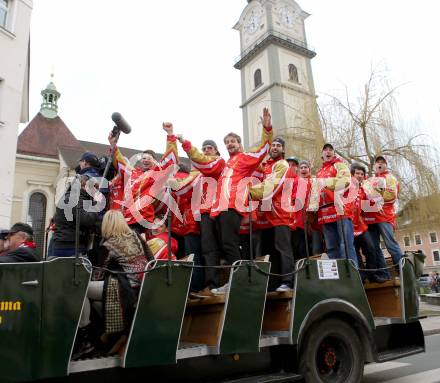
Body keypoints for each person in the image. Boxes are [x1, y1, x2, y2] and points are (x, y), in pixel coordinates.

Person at [209, 107, 273, 294]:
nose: (230, 144)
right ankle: (238, 279)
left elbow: (264, 149)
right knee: (227, 245)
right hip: (220, 208)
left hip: (232, 207)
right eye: (227, 142)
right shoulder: (227, 163)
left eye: (233, 141)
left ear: (239, 143)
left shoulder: (245, 158)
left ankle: (237, 282)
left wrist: (267, 128)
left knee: (230, 245)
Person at [75, 210, 152, 359]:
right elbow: (151, 259)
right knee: (100, 297)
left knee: (80, 289)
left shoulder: (108, 244)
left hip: (125, 289)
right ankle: (109, 334)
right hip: (144, 287)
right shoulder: (136, 236)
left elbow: (99, 274)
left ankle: (86, 331)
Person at [108, 123, 178, 233]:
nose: (145, 160)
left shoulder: (156, 174)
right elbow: (120, 162)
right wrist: (113, 145)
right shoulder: (133, 173)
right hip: (125, 219)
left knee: (135, 248)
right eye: (143, 158)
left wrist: (170, 135)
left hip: (141, 221)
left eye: (149, 158)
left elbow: (170, 161)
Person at [178, 136, 226, 294]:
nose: (206, 151)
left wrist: (186, 144)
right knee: (206, 249)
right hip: (202, 213)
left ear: (216, 151)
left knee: (216, 248)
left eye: (209, 148)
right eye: (204, 148)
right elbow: (186, 190)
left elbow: (206, 165)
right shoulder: (197, 172)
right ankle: (209, 284)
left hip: (218, 210)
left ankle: (215, 284)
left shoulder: (219, 162)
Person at [250, 137, 296, 292]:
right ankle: (274, 283)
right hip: (267, 216)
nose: (275, 147)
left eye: (278, 146)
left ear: (283, 150)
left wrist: (248, 192)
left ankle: (288, 281)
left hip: (281, 213)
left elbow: (272, 187)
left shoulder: (282, 164)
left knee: (283, 248)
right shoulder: (265, 166)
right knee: (270, 251)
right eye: (273, 145)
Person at [308, 143, 358, 265]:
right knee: (331, 247)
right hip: (325, 213)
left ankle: (352, 276)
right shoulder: (319, 172)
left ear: (334, 153)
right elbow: (315, 192)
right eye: (325, 150)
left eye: (331, 149)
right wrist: (311, 210)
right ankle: (338, 278)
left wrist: (325, 182)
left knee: (345, 244)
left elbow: (344, 181)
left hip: (341, 211)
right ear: (322, 154)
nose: (328, 151)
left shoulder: (340, 166)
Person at [364, 155, 403, 275]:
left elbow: (391, 196)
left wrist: (373, 195)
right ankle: (384, 273)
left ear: (386, 165)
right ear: (374, 165)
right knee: (374, 247)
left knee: (391, 245)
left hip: (385, 217)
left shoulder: (391, 178)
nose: (379, 164)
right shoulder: (369, 180)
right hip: (370, 218)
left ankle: (402, 272)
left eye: (382, 162)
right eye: (377, 162)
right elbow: (363, 195)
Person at [350, 163, 389, 283]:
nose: (360, 176)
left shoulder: (363, 190)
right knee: (355, 252)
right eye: (357, 173)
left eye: (362, 174)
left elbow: (367, 206)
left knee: (371, 248)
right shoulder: (346, 187)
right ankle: (361, 276)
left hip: (361, 226)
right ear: (352, 174)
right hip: (349, 227)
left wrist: (378, 201)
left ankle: (372, 274)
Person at [52, 175, 102, 257]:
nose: (95, 192)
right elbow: (86, 219)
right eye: (94, 188)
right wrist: (97, 204)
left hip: (68, 243)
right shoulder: (74, 198)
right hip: (70, 246)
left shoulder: (74, 197)